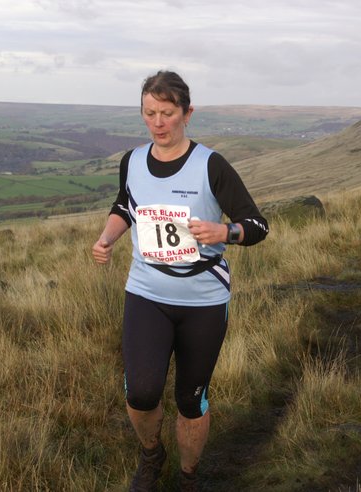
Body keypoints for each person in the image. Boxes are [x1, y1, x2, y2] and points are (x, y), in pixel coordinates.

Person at [91, 70, 269, 492]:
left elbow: (258, 225)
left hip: (203, 300)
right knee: (141, 392)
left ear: (187, 114)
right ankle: (152, 455)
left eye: (168, 113)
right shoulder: (132, 161)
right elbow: (125, 205)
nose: (158, 123)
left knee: (190, 399)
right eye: (149, 113)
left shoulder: (211, 165)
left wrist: (225, 231)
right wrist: (107, 238)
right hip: (146, 292)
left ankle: (188, 477)